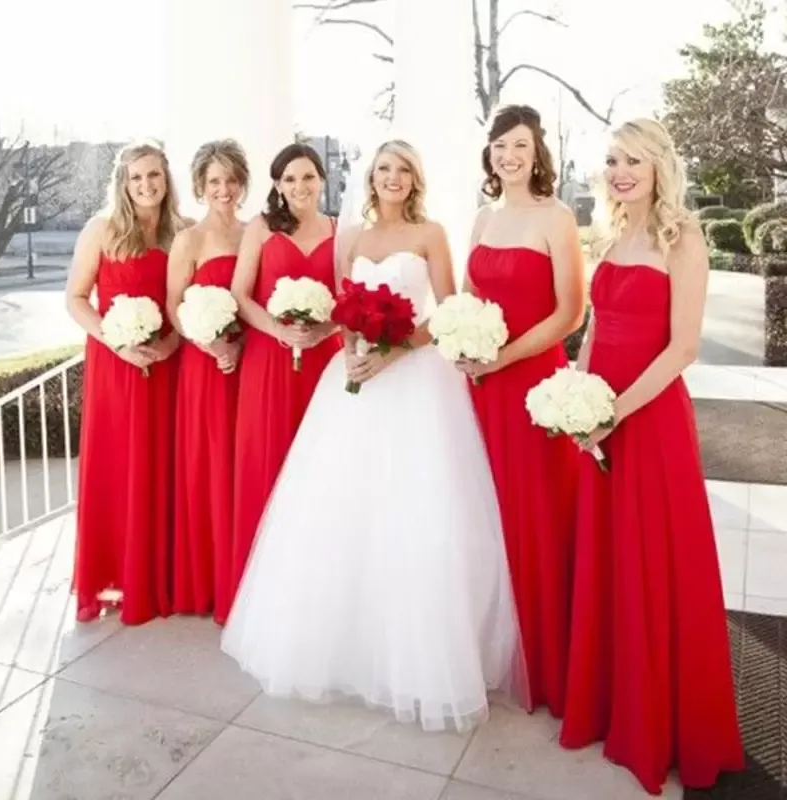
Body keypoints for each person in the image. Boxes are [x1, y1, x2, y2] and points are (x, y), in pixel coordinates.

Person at [221, 140, 527, 731]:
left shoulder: (433, 233)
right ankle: (346, 649)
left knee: (416, 512)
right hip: (354, 381)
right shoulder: (351, 237)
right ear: (371, 177)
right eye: (383, 169)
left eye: (403, 170)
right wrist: (356, 350)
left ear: (416, 179)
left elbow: (445, 310)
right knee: (342, 512)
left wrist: (392, 353)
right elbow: (344, 306)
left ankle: (418, 660)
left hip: (417, 383)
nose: (392, 178)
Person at [559, 118, 744, 794]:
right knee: (609, 558)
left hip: (649, 419)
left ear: (661, 166)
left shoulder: (682, 238)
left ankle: (658, 721)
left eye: (634, 159)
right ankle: (611, 705)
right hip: (598, 420)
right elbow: (594, 328)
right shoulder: (609, 235)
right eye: (612, 159)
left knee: (654, 561)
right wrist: (577, 398)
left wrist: (613, 414)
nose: (621, 170)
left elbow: (683, 349)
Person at [460, 104, 584, 717]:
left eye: (521, 145)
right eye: (500, 145)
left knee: (535, 508)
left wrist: (503, 357)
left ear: (538, 154)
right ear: (490, 154)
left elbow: (570, 313)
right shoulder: (483, 217)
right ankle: (489, 647)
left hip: (533, 383)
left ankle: (544, 652)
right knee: (483, 511)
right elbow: (468, 298)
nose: (510, 155)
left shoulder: (556, 217)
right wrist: (464, 342)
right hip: (478, 385)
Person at [66, 140, 185, 624]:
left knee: (163, 465)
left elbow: (189, 301)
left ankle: (161, 576)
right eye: (136, 177)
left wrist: (171, 345)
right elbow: (76, 298)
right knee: (118, 464)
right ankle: (116, 575)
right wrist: (115, 342)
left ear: (166, 178)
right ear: (123, 183)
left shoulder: (182, 232)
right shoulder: (102, 230)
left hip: (167, 363)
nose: (146, 185)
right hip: (115, 365)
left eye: (153, 175)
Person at [224, 143, 340, 623]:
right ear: (277, 185)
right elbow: (240, 293)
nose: (300, 187)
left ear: (322, 180)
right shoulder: (261, 228)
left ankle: (320, 590)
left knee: (324, 472)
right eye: (290, 179)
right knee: (268, 462)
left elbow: (348, 297)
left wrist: (325, 330)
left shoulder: (339, 230)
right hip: (269, 362)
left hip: (323, 363)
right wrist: (278, 330)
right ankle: (262, 596)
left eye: (308, 177)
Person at [167, 139, 249, 623]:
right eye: (214, 181)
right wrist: (210, 343)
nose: (224, 189)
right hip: (206, 365)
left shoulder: (255, 232)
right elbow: (175, 306)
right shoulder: (189, 240)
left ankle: (247, 576)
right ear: (200, 186)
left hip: (251, 360)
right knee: (212, 466)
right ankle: (213, 582)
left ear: (243, 182)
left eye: (231, 179)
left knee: (247, 463)